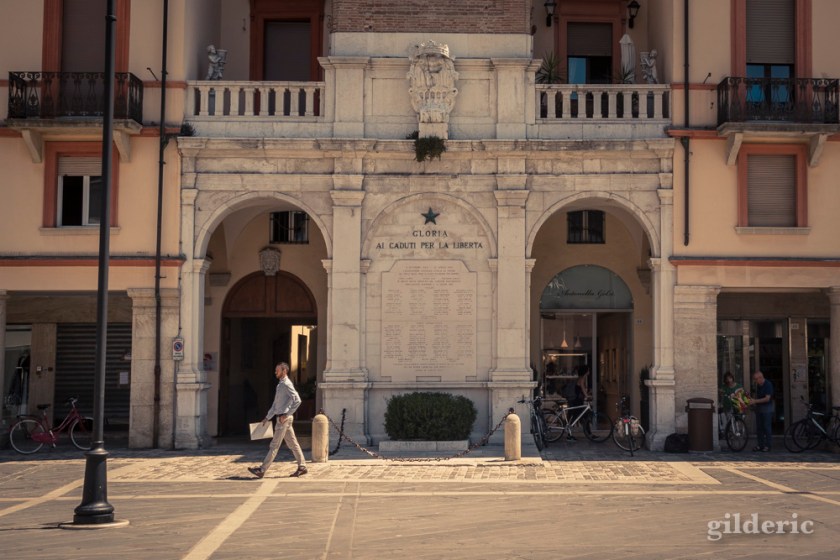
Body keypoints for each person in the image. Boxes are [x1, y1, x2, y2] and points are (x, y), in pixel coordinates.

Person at [248, 362, 308, 478]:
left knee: (274, 445)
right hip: (282, 418)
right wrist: (267, 417)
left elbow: (298, 400)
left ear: (284, 371)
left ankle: (262, 469)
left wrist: (286, 414)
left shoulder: (286, 384)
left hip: (283, 420)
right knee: (293, 443)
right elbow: (275, 404)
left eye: (278, 370)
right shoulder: (280, 385)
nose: (276, 372)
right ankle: (302, 466)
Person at [751, 371, 774, 452]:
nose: (755, 381)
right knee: (759, 428)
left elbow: (767, 398)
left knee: (766, 427)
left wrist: (755, 401)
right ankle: (760, 445)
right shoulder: (758, 385)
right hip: (759, 409)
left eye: (756, 379)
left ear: (761, 377)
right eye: (754, 379)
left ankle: (768, 445)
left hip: (767, 408)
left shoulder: (768, 384)